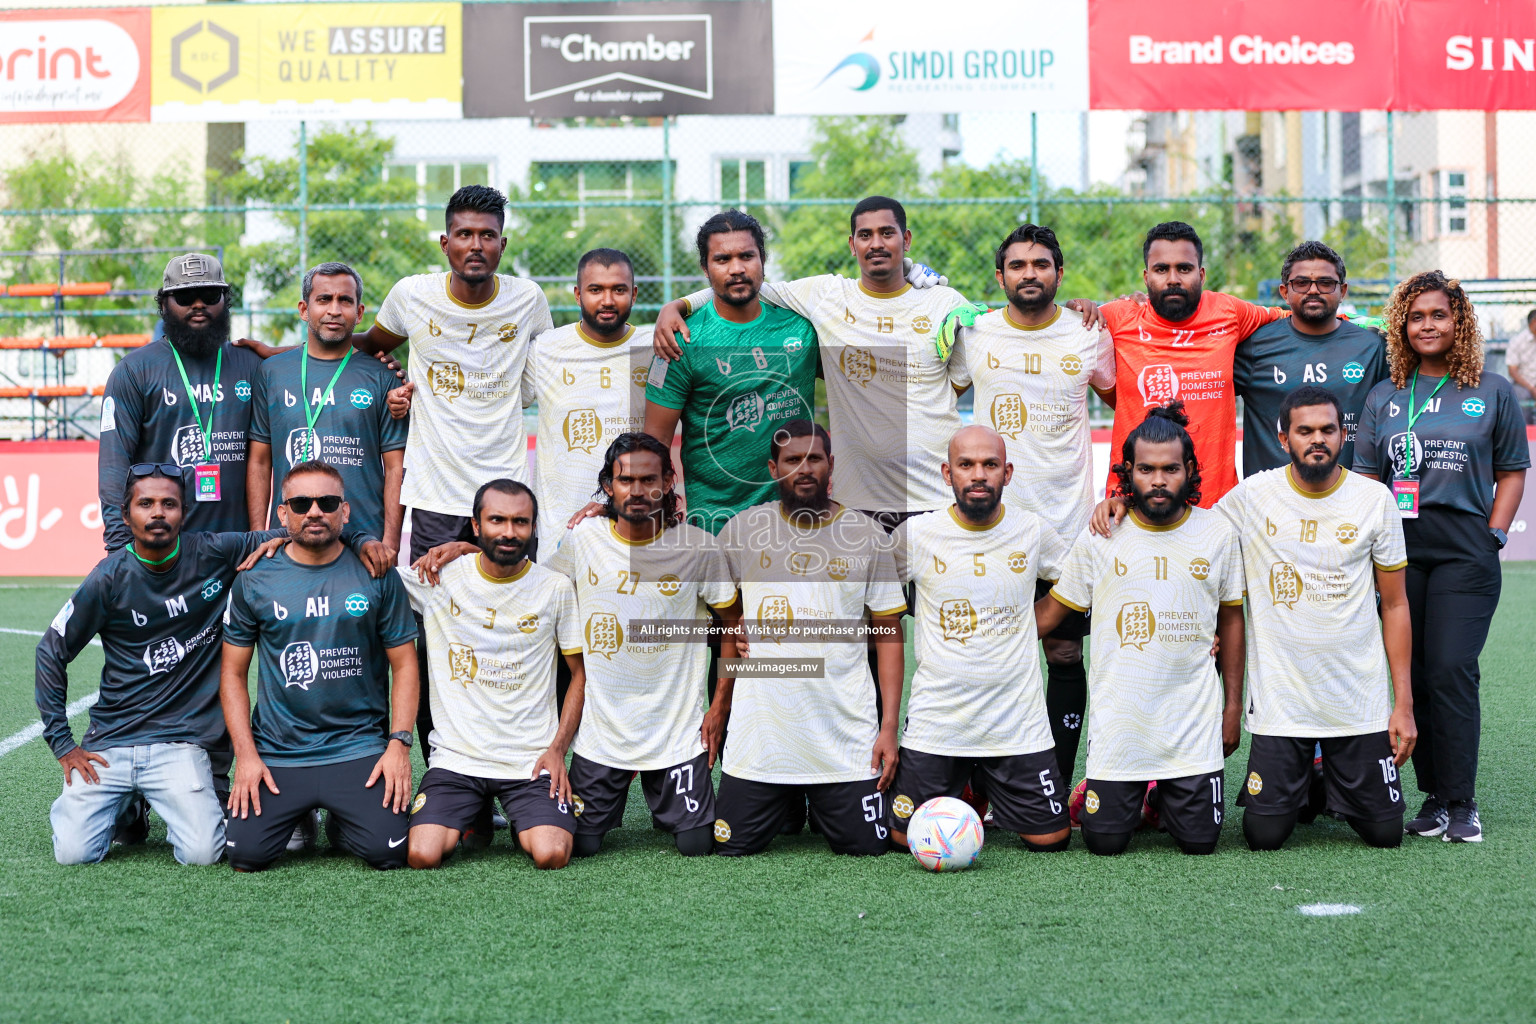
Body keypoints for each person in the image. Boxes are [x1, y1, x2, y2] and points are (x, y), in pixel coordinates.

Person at [350, 184, 553, 757]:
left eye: (487, 235)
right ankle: (446, 763)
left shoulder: (528, 299)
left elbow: (550, 371)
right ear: (445, 242)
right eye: (464, 234)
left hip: (510, 498)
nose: (475, 245)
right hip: (438, 496)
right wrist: (390, 380)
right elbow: (368, 346)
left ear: (502, 244)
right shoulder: (412, 296)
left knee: (511, 633)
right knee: (437, 639)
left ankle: (518, 760)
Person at [654, 197, 983, 529]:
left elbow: (955, 385)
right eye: (865, 235)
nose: (877, 243)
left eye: (887, 233)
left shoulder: (942, 303)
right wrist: (677, 306)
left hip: (920, 499)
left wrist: (913, 272)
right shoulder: (823, 297)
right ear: (852, 245)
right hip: (745, 517)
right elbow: (745, 287)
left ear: (906, 239)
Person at [1353, 271, 1529, 843]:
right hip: (1399, 556)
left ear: (1460, 322)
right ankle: (1433, 798)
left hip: (1464, 555)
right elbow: (1365, 479)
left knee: (1452, 667)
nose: (1427, 325)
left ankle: (1462, 800)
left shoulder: (1493, 389)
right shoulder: (1383, 396)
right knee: (1417, 675)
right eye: (1416, 316)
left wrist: (1495, 535)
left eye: (1439, 315)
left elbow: (1510, 472)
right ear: (1402, 326)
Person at [1036, 403, 1245, 856]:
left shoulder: (1218, 533)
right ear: (1127, 471)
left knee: (1200, 843)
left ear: (1189, 470)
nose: (1158, 480)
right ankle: (1132, 793)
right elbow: (1051, 613)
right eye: (1146, 469)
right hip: (1120, 728)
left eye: (1170, 469)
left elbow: (1231, 620)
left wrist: (1232, 709)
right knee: (1104, 842)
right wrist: (991, 631)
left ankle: (1159, 795)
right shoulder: (1102, 534)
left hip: (1191, 726)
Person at [947, 223, 1114, 785]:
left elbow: (1123, 400)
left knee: (1065, 654)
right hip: (989, 528)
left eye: (1041, 264)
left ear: (1059, 274)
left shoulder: (1088, 333)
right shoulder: (976, 334)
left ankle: (1054, 783)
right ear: (1000, 277)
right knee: (976, 652)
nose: (1029, 274)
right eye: (1017, 266)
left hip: (1067, 530)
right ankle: (973, 785)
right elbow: (937, 393)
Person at [1215, 386, 1415, 850]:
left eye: (1327, 429)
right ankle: (1310, 772)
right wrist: (1123, 501)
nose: (1317, 439)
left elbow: (1397, 604)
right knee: (1264, 835)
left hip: (1356, 703)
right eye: (1305, 431)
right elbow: (1192, 532)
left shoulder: (1375, 499)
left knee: (1385, 835)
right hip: (1282, 705)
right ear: (1283, 438)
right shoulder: (1254, 495)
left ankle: (1324, 774)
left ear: (1343, 435)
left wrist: (1401, 705)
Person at [713, 420, 906, 856]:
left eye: (814, 459)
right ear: (771, 468)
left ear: (831, 465)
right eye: (791, 460)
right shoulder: (741, 531)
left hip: (843, 741)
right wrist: (722, 694)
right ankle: (787, 803)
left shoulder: (868, 536)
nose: (803, 469)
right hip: (761, 741)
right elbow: (721, 613)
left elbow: (889, 636)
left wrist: (889, 727)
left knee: (867, 849)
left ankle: (823, 805)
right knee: (729, 847)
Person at [544, 433, 741, 857]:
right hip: (603, 731)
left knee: (697, 845)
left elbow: (731, 624)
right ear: (608, 485)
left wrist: (720, 703)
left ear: (669, 481)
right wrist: (469, 549)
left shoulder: (698, 548)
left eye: (648, 479)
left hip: (676, 730)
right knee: (580, 844)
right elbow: (538, 587)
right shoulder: (584, 539)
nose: (637, 490)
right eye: (626, 480)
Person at [220, 461, 420, 871]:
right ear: (282, 513)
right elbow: (232, 674)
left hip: (357, 747)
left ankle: (343, 822)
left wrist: (399, 744)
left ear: (344, 512)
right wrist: (247, 755)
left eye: (327, 502)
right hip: (279, 752)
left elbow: (405, 665)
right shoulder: (254, 579)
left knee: (390, 852)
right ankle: (301, 812)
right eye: (301, 503)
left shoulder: (376, 573)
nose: (314, 511)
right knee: (245, 855)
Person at [888, 425, 1071, 852]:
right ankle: (969, 789)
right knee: (899, 838)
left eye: (989, 465)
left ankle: (979, 786)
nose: (978, 475)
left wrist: (1031, 626)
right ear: (946, 473)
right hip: (939, 718)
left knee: (1051, 839)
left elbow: (1077, 582)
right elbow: (869, 596)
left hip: (1016, 720)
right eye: (966, 465)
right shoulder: (917, 535)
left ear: (1007, 473)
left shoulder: (1033, 531)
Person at [399, 480, 584, 870]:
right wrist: (283, 539)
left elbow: (579, 676)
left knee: (551, 854)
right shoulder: (440, 577)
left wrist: (556, 750)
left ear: (534, 528)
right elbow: (373, 567)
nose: (508, 531)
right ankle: (476, 808)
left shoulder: (555, 588)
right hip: (457, 758)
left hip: (529, 760)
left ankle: (521, 820)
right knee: (422, 854)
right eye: (497, 520)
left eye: (520, 522)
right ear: (476, 525)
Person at [638, 211, 820, 536]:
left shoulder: (803, 329)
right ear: (705, 269)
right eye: (722, 259)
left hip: (796, 522)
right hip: (715, 526)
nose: (737, 268)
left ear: (763, 260)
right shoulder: (681, 341)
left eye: (747, 256)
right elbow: (656, 441)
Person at [1098, 222, 1290, 505]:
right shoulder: (1116, 318)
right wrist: (1081, 305)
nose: (1173, 278)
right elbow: (1059, 327)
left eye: (1184, 269)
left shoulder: (1229, 312)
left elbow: (1290, 318)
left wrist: (1363, 324)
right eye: (1161, 269)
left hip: (1215, 504)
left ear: (1201, 274)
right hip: (1132, 503)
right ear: (1146, 276)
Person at [98, 253, 264, 550]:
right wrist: (119, 547)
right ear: (163, 304)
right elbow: (114, 466)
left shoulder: (252, 365)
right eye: (185, 296)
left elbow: (322, 353)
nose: (198, 304)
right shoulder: (135, 370)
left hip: (240, 548)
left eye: (210, 294)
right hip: (163, 551)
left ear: (225, 300)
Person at [247, 262, 407, 557]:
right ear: (304, 309)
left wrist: (391, 543)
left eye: (345, 300)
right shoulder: (271, 373)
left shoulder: (383, 376)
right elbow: (259, 461)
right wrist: (259, 534)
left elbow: (396, 467)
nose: (334, 310)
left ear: (359, 313)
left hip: (364, 541)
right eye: (324, 299)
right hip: (287, 540)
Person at [525, 249, 653, 546]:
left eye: (618, 290)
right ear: (578, 295)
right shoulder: (545, 349)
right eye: (596, 290)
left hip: (635, 523)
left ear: (634, 294)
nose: (607, 301)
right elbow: (497, 397)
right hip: (559, 527)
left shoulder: (654, 347)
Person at [1234, 241, 1390, 476]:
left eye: (1325, 283)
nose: (1313, 290)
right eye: (1302, 283)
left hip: (1348, 499)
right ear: (1285, 292)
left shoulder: (1371, 347)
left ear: (1343, 291)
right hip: (1270, 502)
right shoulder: (1255, 347)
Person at [1502, 309, 1536, 423]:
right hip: (1523, 384)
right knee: (1522, 396)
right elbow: (1512, 371)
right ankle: (1526, 433)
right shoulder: (1517, 341)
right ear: (1533, 323)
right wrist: (1531, 388)